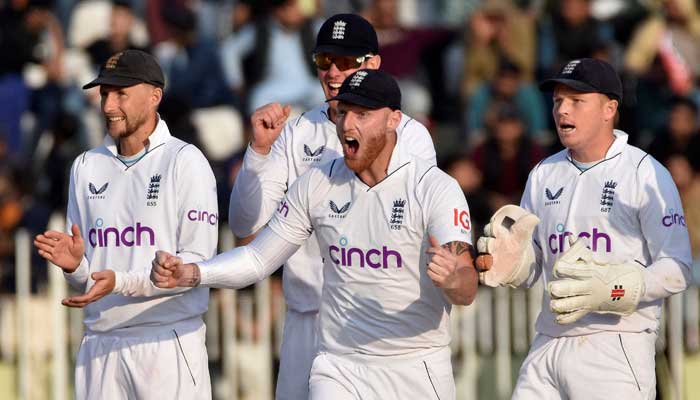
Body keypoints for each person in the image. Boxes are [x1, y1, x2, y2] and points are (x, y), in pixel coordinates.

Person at [147, 69, 478, 399]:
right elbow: (258, 258)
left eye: (363, 114)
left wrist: (453, 282)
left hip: (415, 365)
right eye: (344, 111)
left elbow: (466, 284)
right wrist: (194, 272)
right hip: (339, 365)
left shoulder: (434, 188)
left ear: (394, 120)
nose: (348, 125)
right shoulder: (319, 182)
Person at [228, 13, 437, 400]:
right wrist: (258, 152)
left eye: (347, 62)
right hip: (306, 321)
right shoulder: (296, 131)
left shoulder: (410, 136)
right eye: (324, 61)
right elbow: (245, 223)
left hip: (378, 325)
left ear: (373, 63)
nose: (334, 72)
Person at [476, 58, 692, 399]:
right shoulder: (544, 173)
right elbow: (534, 264)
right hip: (548, 342)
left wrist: (613, 290)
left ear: (609, 109)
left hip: (616, 346)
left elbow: (677, 269)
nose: (563, 111)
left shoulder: (644, 172)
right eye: (558, 101)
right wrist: (513, 264)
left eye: (577, 101)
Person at [32, 50, 218, 399]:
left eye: (121, 93)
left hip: (167, 339)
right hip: (100, 344)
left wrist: (121, 282)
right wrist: (75, 269)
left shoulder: (185, 161)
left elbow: (195, 268)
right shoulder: (85, 166)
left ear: (154, 96)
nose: (107, 106)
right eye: (104, 93)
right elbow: (89, 280)